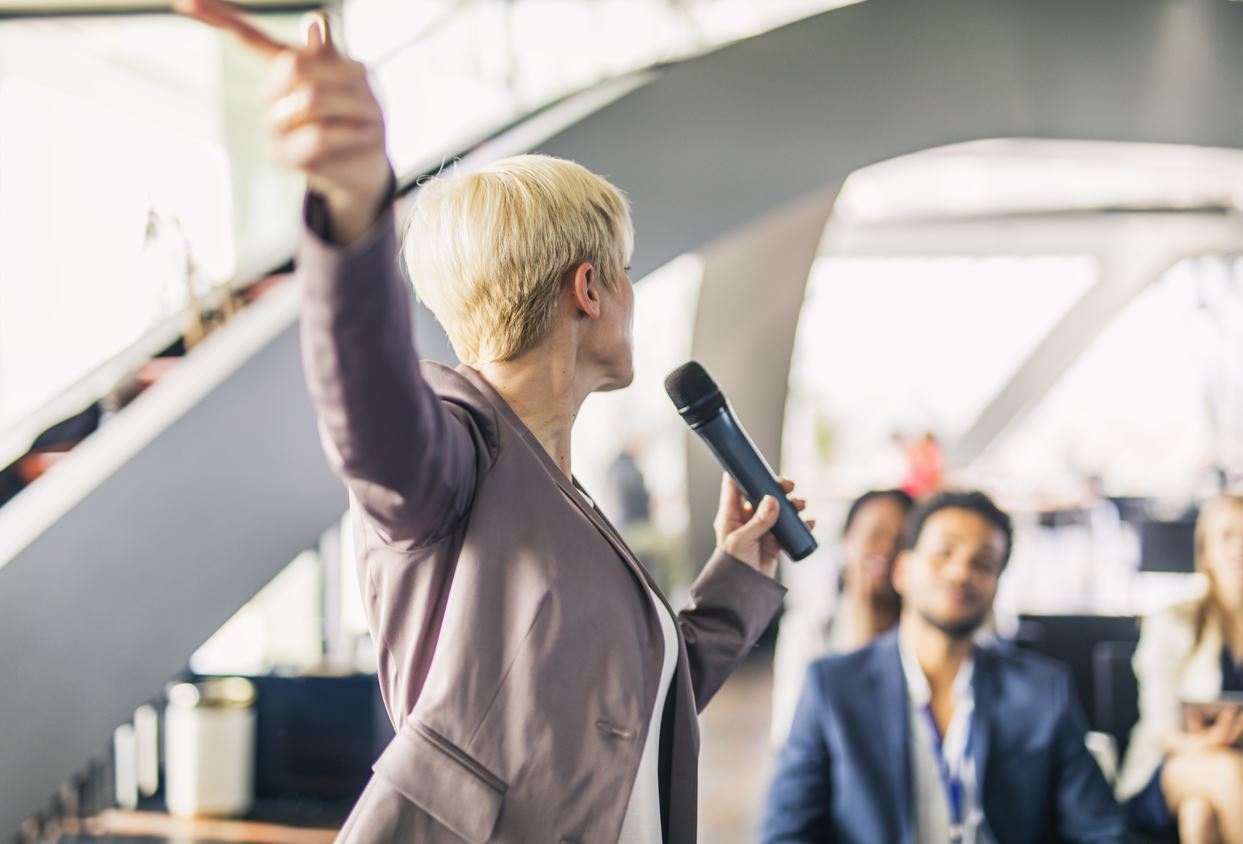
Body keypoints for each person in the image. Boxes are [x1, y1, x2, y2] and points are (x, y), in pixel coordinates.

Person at [176, 2, 808, 842]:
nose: (629, 295)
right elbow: (367, 411)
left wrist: (736, 573)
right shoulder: (452, 452)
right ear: (589, 289)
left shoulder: (562, 502)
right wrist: (354, 204)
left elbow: (639, 708)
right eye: (621, 272)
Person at [761, 491, 1125, 844]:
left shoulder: (1043, 691)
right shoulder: (833, 686)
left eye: (982, 563)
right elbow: (786, 832)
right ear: (903, 570)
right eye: (943, 552)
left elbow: (1101, 829)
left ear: (996, 586)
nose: (960, 571)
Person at [1116, 495, 1243, 844]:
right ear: (1206, 551)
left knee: (1199, 811)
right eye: (1227, 536)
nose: (1239, 548)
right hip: (1169, 762)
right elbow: (1160, 727)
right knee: (1226, 769)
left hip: (1212, 780)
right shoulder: (1171, 621)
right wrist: (1206, 743)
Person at [770, 489, 913, 746]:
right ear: (847, 538)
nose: (888, 548)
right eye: (876, 534)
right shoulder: (808, 629)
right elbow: (789, 740)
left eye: (902, 540)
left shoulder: (923, 636)